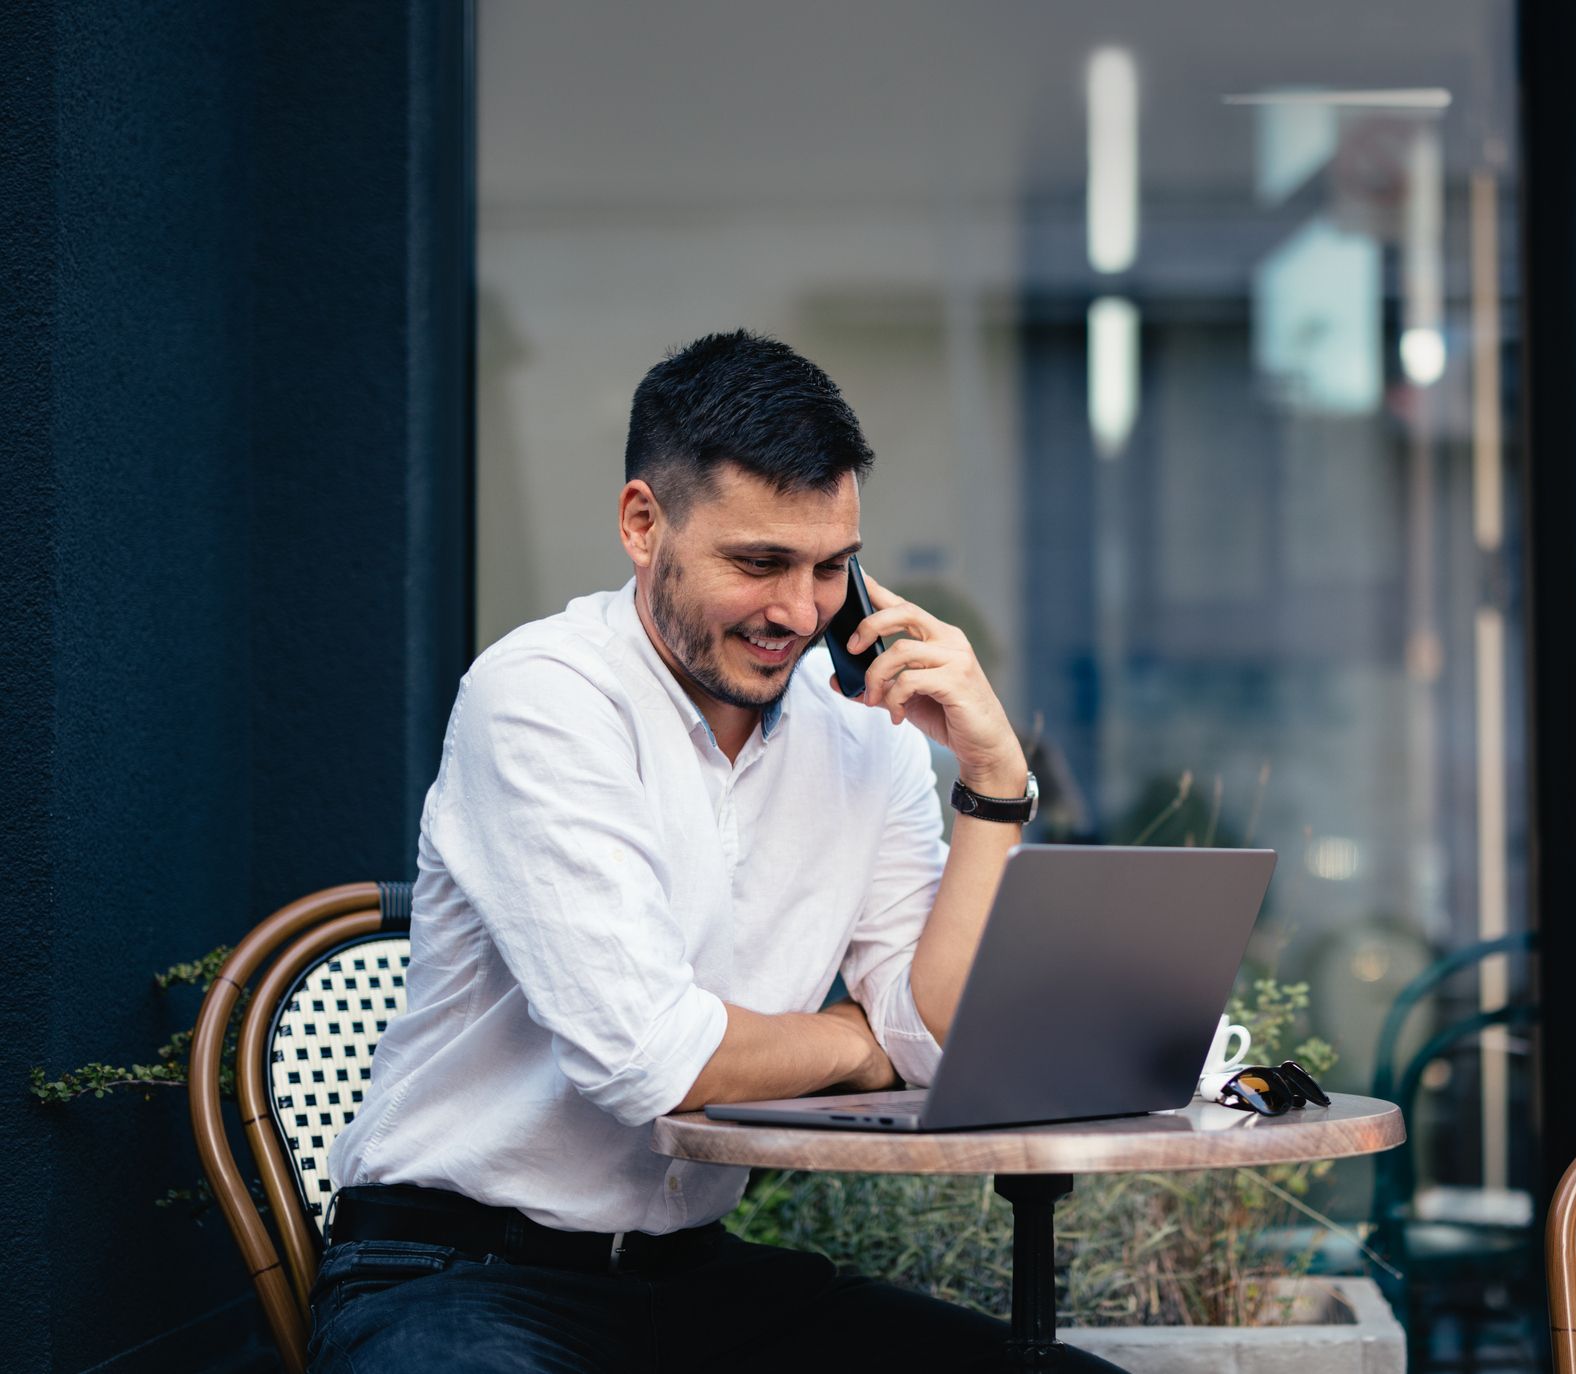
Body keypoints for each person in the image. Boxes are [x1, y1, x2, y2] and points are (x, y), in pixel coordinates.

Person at [317, 331, 1121, 1372]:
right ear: (643, 524)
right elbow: (652, 1064)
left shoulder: (868, 735)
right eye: (759, 563)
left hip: (695, 1281)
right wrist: (851, 1041)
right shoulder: (542, 700)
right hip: (462, 1275)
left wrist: (994, 778)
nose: (797, 611)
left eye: (832, 568)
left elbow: (936, 1042)